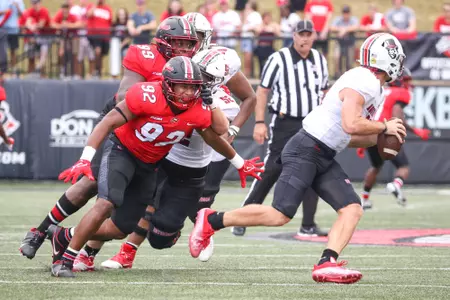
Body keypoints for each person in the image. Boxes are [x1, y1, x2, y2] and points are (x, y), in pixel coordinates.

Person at [189, 32, 407, 284]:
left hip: (323, 153)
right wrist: (383, 128)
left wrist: (380, 136)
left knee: (352, 209)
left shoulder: (375, 87)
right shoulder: (364, 79)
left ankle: (327, 262)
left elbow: (354, 136)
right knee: (280, 214)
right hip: (306, 147)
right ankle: (211, 219)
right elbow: (351, 124)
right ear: (388, 58)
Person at [49, 56, 263, 278]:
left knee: (121, 228)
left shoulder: (201, 107)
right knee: (107, 203)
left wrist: (239, 162)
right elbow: (109, 122)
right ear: (168, 83)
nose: (187, 93)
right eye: (182, 86)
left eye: (192, 87)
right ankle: (67, 260)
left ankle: (63, 236)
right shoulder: (145, 94)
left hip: (150, 165)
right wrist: (85, 158)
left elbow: (215, 136)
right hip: (123, 151)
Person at [84, 12, 259, 269]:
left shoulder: (219, 65)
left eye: (194, 39)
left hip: (203, 157)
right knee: (136, 203)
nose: (186, 45)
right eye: (183, 39)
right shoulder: (179, 68)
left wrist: (231, 132)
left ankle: (201, 225)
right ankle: (99, 250)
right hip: (167, 147)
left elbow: (236, 112)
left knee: (170, 222)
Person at [18, 16, 200, 260]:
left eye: (189, 44)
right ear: (164, 41)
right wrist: (160, 91)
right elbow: (123, 95)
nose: (185, 50)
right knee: (91, 182)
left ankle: (79, 247)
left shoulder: (191, 67)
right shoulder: (144, 55)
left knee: (124, 203)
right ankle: (39, 232)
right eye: (179, 43)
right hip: (126, 119)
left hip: (154, 133)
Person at [231, 20, 329, 238]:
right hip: (285, 122)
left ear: (314, 36)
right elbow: (263, 91)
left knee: (312, 169)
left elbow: (324, 92)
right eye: (301, 34)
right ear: (293, 35)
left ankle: (308, 224)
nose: (304, 38)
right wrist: (259, 122)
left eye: (308, 34)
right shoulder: (278, 59)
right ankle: (242, 217)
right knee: (272, 168)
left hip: (312, 123)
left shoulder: (319, 60)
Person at [358, 68, 431, 209]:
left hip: (370, 131)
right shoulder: (400, 93)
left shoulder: (379, 91)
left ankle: (364, 199)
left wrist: (363, 141)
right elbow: (397, 116)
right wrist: (416, 131)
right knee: (403, 166)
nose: (409, 84)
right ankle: (396, 184)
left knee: (376, 166)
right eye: (406, 81)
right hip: (384, 131)